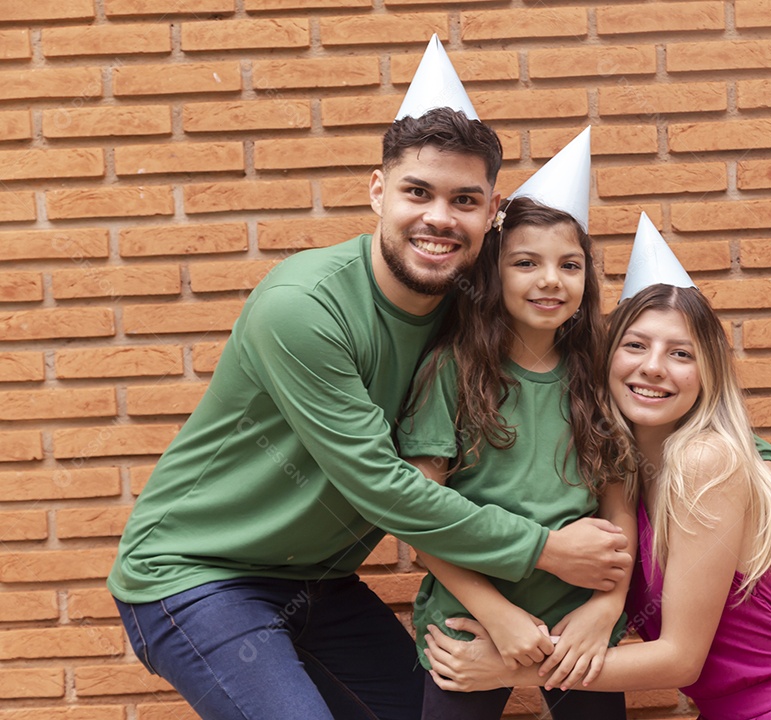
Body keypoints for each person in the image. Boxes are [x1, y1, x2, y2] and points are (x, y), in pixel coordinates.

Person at [106, 38, 631, 720]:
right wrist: (547, 549)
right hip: (196, 575)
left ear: (490, 213)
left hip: (319, 582)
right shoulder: (305, 307)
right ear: (379, 191)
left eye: (464, 199)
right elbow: (383, 486)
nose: (439, 218)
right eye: (418, 191)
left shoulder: (471, 311)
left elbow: (604, 377)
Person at [423, 215, 771, 720]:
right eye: (636, 345)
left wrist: (509, 670)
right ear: (604, 360)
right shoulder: (623, 475)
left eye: (681, 353)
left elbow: (680, 660)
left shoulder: (706, 462)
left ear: (707, 374)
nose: (654, 367)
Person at [396, 128, 633, 720]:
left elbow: (619, 506)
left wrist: (608, 607)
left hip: (579, 618)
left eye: (569, 265)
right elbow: (418, 516)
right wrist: (496, 613)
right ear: (493, 275)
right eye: (526, 262)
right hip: (469, 618)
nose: (550, 280)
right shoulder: (450, 370)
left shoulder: (600, 374)